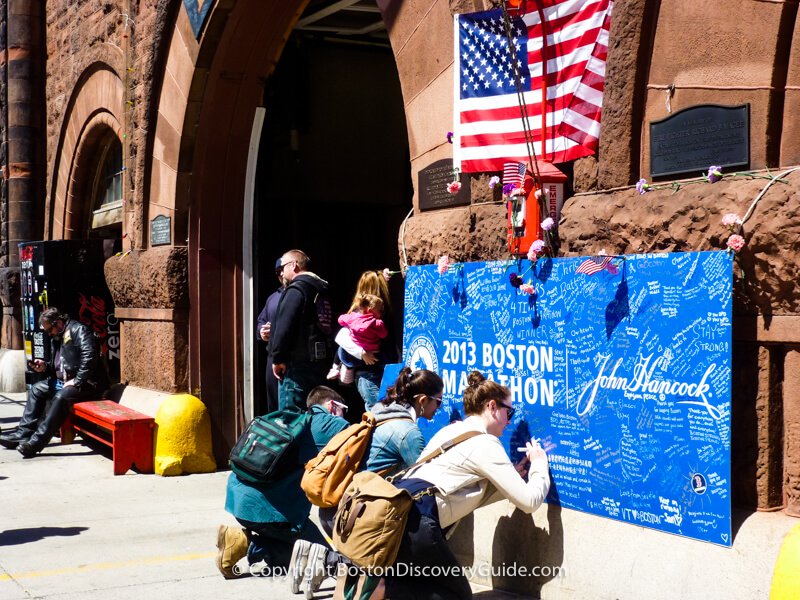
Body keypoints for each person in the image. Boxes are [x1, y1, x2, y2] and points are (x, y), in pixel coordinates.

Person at [383, 370, 551, 599]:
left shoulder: (450, 431)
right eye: (508, 411)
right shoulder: (487, 444)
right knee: (457, 594)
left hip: (399, 516)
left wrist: (509, 477)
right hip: (419, 523)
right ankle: (380, 589)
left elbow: (457, 485)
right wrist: (539, 465)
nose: (509, 420)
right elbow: (530, 502)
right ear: (492, 407)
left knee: (420, 589)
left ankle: (381, 588)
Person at [292, 367, 444, 598]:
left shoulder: (379, 411)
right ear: (422, 400)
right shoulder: (408, 433)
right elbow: (428, 478)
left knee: (362, 576)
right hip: (356, 518)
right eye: (438, 402)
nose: (439, 408)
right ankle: (326, 559)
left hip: (338, 510)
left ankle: (325, 557)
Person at [216, 386, 349, 580]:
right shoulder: (330, 424)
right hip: (268, 513)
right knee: (325, 559)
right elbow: (361, 441)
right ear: (332, 405)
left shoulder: (294, 421)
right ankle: (247, 543)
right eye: (344, 409)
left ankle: (253, 544)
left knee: (292, 562)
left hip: (238, 500)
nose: (345, 416)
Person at [0, 307, 109, 457]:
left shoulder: (80, 330)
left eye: (49, 329)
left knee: (61, 397)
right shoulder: (57, 337)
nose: (48, 333)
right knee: (36, 389)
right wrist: (44, 366)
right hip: (65, 381)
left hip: (88, 383)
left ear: (58, 323)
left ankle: (36, 442)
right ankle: (23, 433)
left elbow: (90, 357)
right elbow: (59, 364)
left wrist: (77, 380)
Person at [269, 250, 333, 411]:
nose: (281, 272)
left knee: (292, 419)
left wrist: (277, 358)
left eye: (283, 267)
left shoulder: (297, 290)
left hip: (296, 367)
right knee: (315, 414)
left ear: (294, 265)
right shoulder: (322, 289)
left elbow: (285, 325)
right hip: (319, 364)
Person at [335, 271, 398, 409]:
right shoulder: (369, 314)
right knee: (380, 410)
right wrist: (362, 353)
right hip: (374, 369)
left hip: (374, 369)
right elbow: (341, 337)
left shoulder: (372, 312)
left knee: (379, 410)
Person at [327, 293, 388, 385]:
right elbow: (384, 335)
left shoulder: (352, 318)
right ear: (370, 310)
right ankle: (347, 370)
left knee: (341, 348)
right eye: (380, 310)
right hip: (373, 354)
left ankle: (336, 368)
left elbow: (340, 319)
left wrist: (350, 319)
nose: (381, 313)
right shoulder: (377, 323)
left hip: (352, 355)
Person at [256, 258, 286, 414]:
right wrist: (262, 332)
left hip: (293, 360)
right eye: (278, 271)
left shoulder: (301, 294)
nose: (281, 273)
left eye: (283, 269)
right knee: (274, 404)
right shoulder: (272, 298)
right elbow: (260, 322)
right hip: (272, 358)